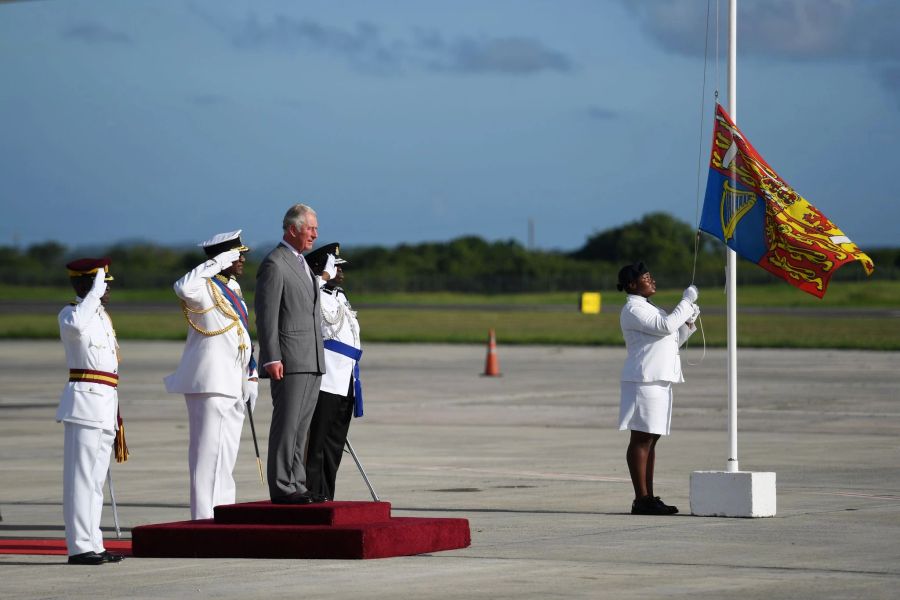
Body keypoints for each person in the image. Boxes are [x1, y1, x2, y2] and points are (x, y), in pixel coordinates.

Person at [164, 231, 258, 520]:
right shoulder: (202, 286)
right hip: (211, 381)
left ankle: (224, 515)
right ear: (222, 257)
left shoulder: (233, 288)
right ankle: (203, 519)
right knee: (207, 457)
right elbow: (182, 287)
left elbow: (240, 333)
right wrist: (216, 263)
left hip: (233, 381)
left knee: (226, 457)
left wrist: (250, 375)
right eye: (236, 254)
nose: (242, 259)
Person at [255, 204, 326, 504]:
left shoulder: (301, 263)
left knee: (302, 427)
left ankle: (297, 483)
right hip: (290, 359)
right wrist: (272, 357)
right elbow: (267, 315)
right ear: (293, 229)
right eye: (311, 228)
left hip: (310, 357)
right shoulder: (275, 263)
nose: (315, 233)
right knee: (287, 425)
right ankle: (283, 486)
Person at [57, 258, 126, 565]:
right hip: (84, 404)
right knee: (81, 479)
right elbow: (75, 327)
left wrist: (96, 297)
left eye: (107, 284)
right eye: (102, 283)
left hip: (105, 404)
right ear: (84, 284)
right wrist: (93, 294)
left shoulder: (100, 316)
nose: (107, 289)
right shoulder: (73, 313)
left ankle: (93, 542)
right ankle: (79, 546)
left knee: (96, 480)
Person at [616, 262, 700, 516]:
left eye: (651, 276)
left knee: (652, 438)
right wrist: (686, 301)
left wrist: (687, 322)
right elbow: (664, 326)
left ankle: (649, 497)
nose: (652, 281)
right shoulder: (633, 309)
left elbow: (671, 339)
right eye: (646, 277)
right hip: (644, 380)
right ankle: (641, 499)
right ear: (632, 285)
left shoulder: (650, 309)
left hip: (659, 380)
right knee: (641, 439)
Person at [304, 243, 363, 501]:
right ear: (320, 268)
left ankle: (327, 496)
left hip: (346, 380)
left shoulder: (339, 296)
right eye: (335, 266)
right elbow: (302, 294)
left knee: (334, 444)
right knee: (316, 443)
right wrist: (321, 277)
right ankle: (312, 493)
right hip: (326, 380)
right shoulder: (312, 293)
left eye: (339, 266)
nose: (340, 271)